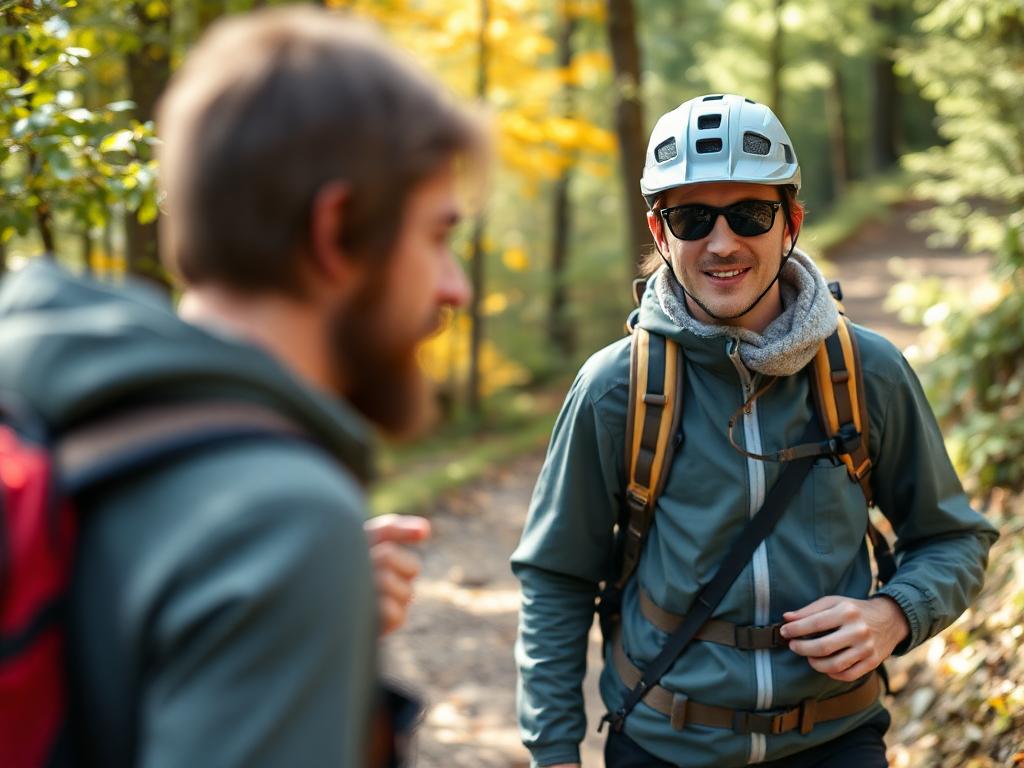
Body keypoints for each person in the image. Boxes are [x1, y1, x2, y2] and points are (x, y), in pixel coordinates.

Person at [0, 7, 481, 767]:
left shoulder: (51, 419)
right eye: (436, 236)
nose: (455, 287)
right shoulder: (278, 523)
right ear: (337, 230)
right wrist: (295, 569)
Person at [512, 93, 998, 768]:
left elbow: (954, 538)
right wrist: (554, 752)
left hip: (836, 741)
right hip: (662, 744)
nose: (722, 242)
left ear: (790, 222)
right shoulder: (616, 387)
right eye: (691, 217)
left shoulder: (867, 371)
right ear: (659, 233)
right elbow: (557, 578)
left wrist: (894, 615)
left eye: (749, 214)